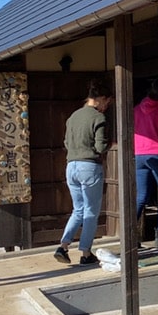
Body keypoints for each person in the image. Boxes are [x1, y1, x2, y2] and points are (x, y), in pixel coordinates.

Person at [54, 80, 112, 267]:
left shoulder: (73, 117)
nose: (106, 106)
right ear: (101, 99)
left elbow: (66, 142)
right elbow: (101, 146)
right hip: (89, 166)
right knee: (91, 212)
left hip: (71, 166)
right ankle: (86, 252)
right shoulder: (98, 118)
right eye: (107, 102)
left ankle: (63, 246)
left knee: (77, 209)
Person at [133, 79, 158, 249]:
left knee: (141, 197)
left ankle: (130, 234)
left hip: (139, 153)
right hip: (157, 153)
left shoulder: (136, 110)